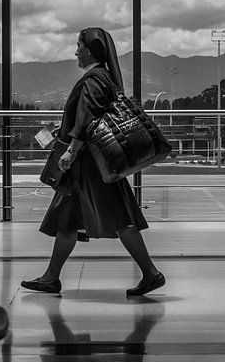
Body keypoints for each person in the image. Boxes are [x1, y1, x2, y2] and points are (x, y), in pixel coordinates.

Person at [21, 27, 165, 297]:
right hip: (94, 165)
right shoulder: (104, 77)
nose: (76, 52)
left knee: (120, 219)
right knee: (68, 219)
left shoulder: (93, 79)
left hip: (89, 167)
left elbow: (87, 119)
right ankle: (51, 277)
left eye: (79, 46)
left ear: (89, 50)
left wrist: (70, 151)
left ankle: (151, 273)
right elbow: (90, 118)